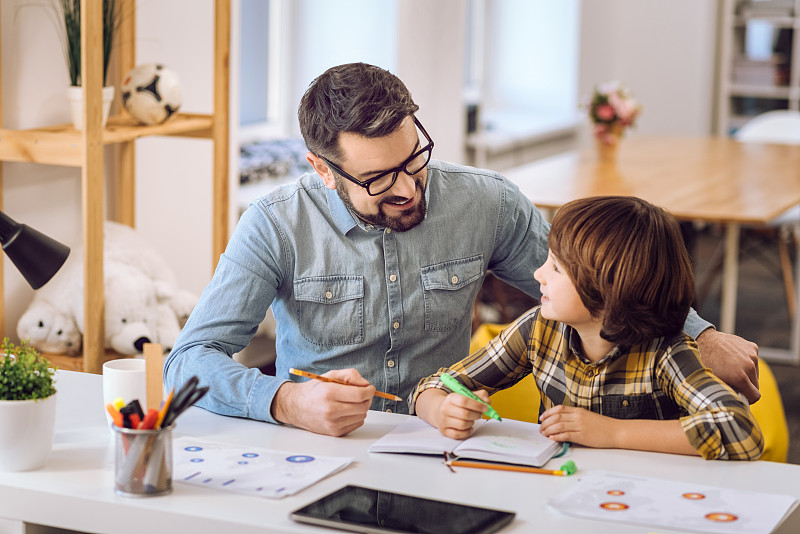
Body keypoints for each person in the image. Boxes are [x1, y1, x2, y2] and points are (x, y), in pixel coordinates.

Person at [165, 62, 760, 437]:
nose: (405, 188)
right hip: (322, 449)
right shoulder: (273, 224)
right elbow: (188, 359)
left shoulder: (487, 203)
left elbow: (598, 283)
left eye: (413, 160)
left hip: (444, 447)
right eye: (376, 179)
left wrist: (702, 334)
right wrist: (288, 402)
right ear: (323, 170)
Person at [412, 196, 763, 460]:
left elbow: (741, 430)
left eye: (556, 269)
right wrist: (440, 409)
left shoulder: (666, 352)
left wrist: (614, 432)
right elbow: (434, 384)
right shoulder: (538, 330)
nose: (538, 275)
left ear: (607, 293)